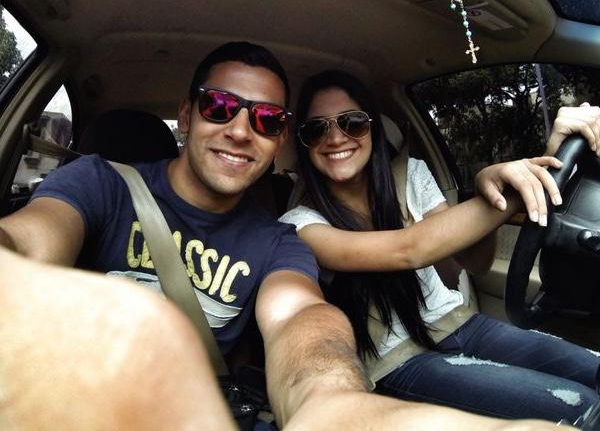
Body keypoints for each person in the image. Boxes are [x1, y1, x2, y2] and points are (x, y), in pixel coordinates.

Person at [0, 42, 564, 430]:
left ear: (277, 142)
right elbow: (28, 241)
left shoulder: (277, 243)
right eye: (220, 106)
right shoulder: (99, 183)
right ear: (187, 115)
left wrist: (333, 402)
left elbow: (304, 323)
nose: (241, 130)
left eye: (267, 119)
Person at [280, 69, 600, 424]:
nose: (336, 138)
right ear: (304, 143)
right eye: (316, 129)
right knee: (582, 406)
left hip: (462, 323)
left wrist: (488, 188)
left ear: (371, 127)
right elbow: (409, 249)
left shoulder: (411, 175)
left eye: (351, 122)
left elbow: (473, 261)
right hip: (397, 362)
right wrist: (515, 185)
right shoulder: (300, 224)